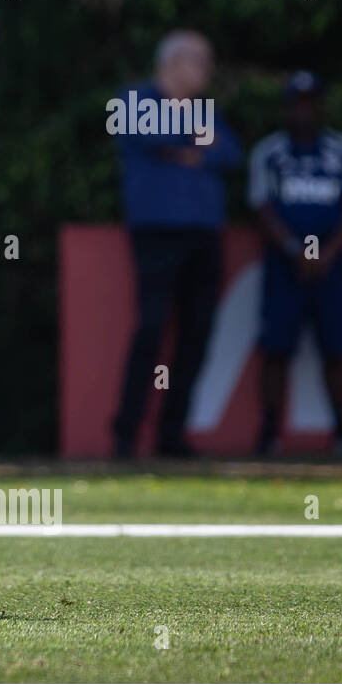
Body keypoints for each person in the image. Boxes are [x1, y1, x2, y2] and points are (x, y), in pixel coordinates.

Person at [111, 30, 243, 458]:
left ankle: (173, 433)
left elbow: (229, 154)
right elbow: (155, 137)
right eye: (201, 61)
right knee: (151, 328)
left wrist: (192, 149)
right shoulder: (135, 99)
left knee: (196, 333)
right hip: (157, 234)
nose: (207, 71)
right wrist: (195, 143)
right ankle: (126, 434)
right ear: (174, 62)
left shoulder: (205, 111)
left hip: (204, 234)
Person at [249, 72, 342, 457]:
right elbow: (262, 207)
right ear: (285, 107)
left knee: (336, 348)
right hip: (285, 265)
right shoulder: (270, 152)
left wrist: (326, 253)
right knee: (276, 347)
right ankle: (268, 435)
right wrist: (295, 250)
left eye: (310, 102)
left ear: (321, 106)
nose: (303, 110)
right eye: (296, 102)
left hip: (331, 265)